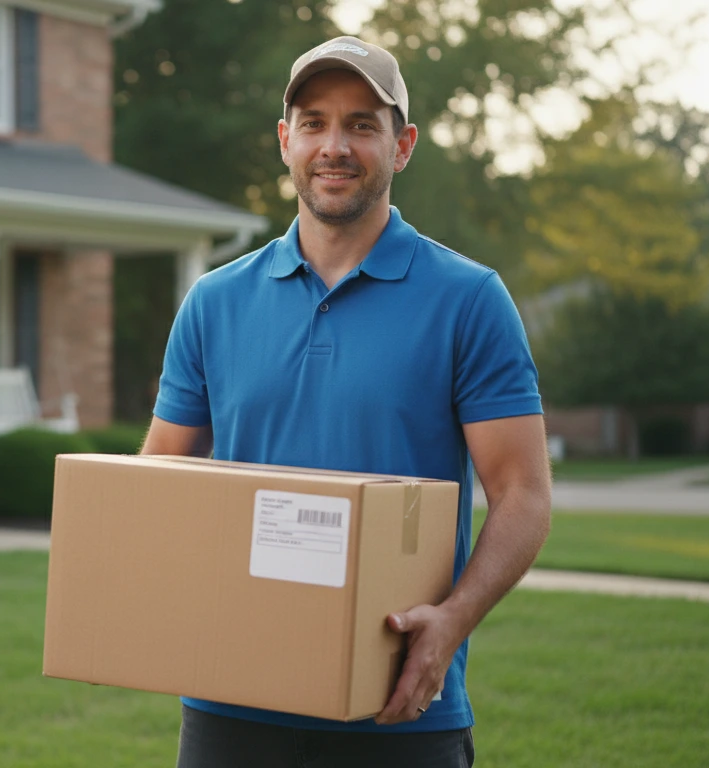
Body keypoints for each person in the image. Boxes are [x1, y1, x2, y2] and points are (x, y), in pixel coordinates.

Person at [141, 35, 553, 768]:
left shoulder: (469, 300)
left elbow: (523, 493)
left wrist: (452, 622)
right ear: (285, 141)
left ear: (403, 146)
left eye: (362, 124)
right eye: (314, 123)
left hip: (398, 710)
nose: (335, 146)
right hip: (230, 706)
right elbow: (159, 481)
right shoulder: (213, 302)